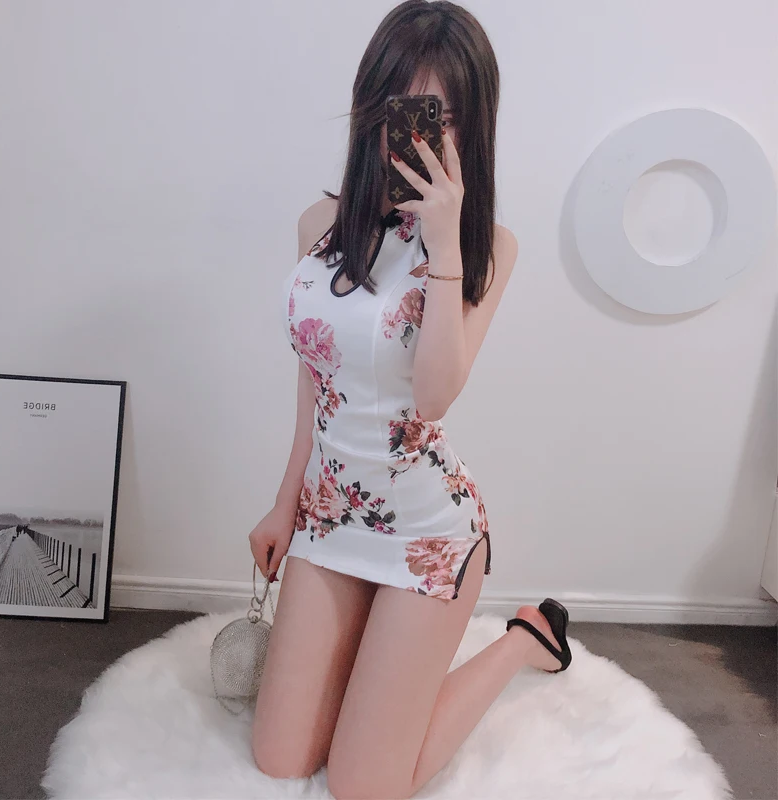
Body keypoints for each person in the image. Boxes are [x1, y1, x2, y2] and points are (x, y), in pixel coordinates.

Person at [248, 2, 572, 797]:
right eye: (406, 111)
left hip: (427, 533)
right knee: (280, 758)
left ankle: (525, 637)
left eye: (444, 118)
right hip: (331, 518)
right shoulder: (320, 225)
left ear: (473, 126)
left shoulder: (486, 247)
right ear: (373, 108)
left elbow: (432, 399)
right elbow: (315, 377)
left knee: (364, 785)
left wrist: (442, 246)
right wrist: (285, 504)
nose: (423, 138)